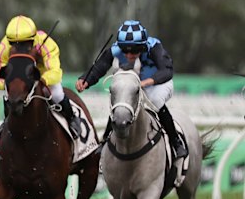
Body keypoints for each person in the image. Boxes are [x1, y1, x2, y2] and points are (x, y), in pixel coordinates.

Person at [75, 19, 187, 159]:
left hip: (159, 83)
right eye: (125, 51)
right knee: (121, 100)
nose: (129, 56)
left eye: (134, 51)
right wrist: (85, 80)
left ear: (142, 46)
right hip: (135, 85)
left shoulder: (154, 47)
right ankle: (106, 139)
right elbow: (100, 67)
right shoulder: (115, 50)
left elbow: (167, 70)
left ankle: (176, 142)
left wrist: (146, 82)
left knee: (155, 99)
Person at [0, 15, 81, 139]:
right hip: (20, 82)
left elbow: (55, 72)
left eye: (26, 44)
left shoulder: (46, 43)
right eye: (15, 44)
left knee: (57, 94)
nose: (20, 48)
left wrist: (41, 80)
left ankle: (71, 118)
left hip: (42, 76)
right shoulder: (4, 47)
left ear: (34, 39)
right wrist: (10, 85)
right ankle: (6, 121)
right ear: (9, 41)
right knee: (10, 95)